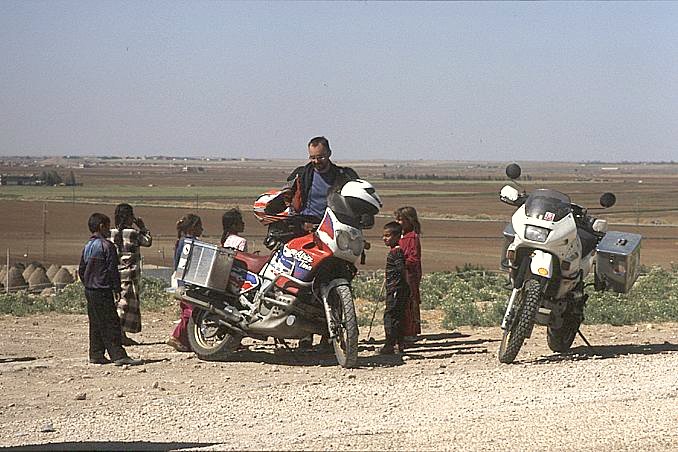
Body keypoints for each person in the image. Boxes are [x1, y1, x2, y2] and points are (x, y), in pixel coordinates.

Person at [285, 136, 358, 350]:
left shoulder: (344, 176)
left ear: (330, 154)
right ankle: (304, 335)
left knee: (337, 277)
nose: (317, 161)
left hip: (335, 232)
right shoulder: (302, 174)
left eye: (321, 157)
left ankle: (330, 335)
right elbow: (286, 197)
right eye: (313, 157)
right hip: (306, 231)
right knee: (303, 282)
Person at [79, 213, 142, 366]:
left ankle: (96, 353)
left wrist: (87, 283)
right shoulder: (107, 246)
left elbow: (81, 269)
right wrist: (116, 289)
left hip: (90, 290)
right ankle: (118, 355)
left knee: (95, 322)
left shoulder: (88, 246)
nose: (109, 230)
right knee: (111, 323)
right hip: (103, 289)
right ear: (101, 227)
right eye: (107, 226)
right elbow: (112, 270)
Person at [110, 203, 153, 346]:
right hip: (130, 275)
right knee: (125, 305)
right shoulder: (133, 234)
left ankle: (120, 334)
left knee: (118, 303)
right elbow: (147, 241)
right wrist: (143, 227)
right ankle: (119, 335)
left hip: (115, 274)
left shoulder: (111, 233)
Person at [166, 213, 203, 352]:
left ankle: (186, 341)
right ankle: (177, 336)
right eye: (200, 227)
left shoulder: (181, 241)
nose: (202, 230)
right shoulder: (189, 242)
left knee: (186, 311)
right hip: (187, 282)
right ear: (193, 228)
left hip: (181, 281)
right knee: (190, 312)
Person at [379, 221, 410, 355]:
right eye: (384, 235)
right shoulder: (395, 251)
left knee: (390, 316)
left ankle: (390, 345)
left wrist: (403, 285)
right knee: (398, 316)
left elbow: (402, 270)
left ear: (397, 237)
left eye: (388, 235)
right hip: (397, 288)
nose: (384, 238)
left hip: (396, 289)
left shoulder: (396, 252)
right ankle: (399, 344)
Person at [395, 206, 422, 342]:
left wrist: (401, 263)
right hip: (401, 273)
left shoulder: (412, 237)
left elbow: (414, 258)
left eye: (400, 220)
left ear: (409, 221)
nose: (398, 222)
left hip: (409, 274)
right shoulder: (402, 236)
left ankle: (411, 331)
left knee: (409, 301)